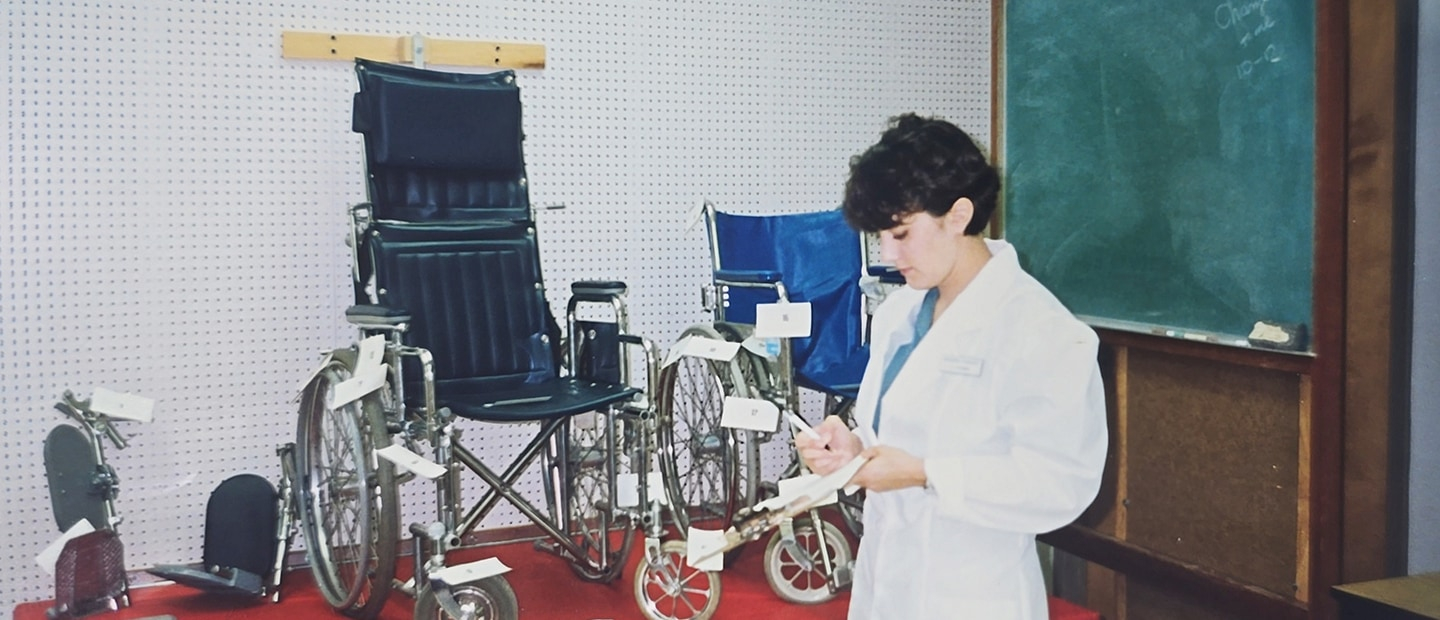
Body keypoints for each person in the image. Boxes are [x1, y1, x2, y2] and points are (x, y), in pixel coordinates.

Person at [796, 114, 1108, 619]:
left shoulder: (1044, 332)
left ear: (959, 215)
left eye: (901, 234)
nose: (888, 254)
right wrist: (855, 450)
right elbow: (902, 433)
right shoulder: (899, 312)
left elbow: (1062, 485)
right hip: (887, 584)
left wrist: (926, 475)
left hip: (975, 593)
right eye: (881, 237)